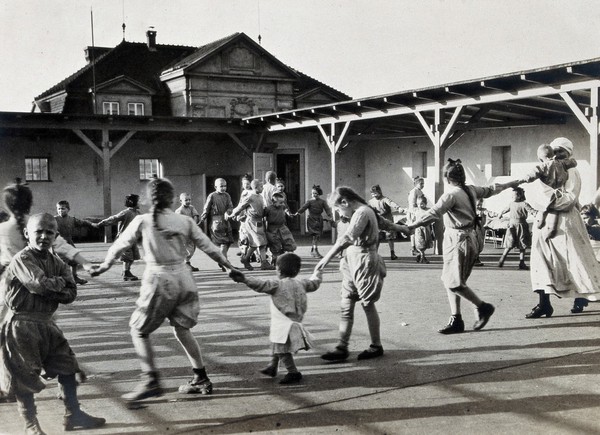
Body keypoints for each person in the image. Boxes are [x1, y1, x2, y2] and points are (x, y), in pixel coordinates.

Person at [90, 178, 236, 403]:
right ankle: (201, 377)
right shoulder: (184, 221)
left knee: (138, 330)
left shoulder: (143, 220)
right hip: (184, 279)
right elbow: (209, 246)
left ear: (149, 199)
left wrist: (103, 266)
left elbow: (119, 245)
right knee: (182, 329)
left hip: (159, 279)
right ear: (172, 198)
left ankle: (150, 380)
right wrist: (230, 267)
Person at [0, 213, 105, 433]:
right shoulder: (23, 258)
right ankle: (31, 425)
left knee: (67, 366)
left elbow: (71, 294)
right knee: (24, 376)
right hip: (22, 324)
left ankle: (73, 414)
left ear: (56, 235)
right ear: (28, 234)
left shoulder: (56, 260)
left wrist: (56, 284)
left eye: (50, 232)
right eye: (39, 231)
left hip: (47, 323)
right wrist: (61, 282)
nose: (44, 236)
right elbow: (40, 285)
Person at [407, 159, 513, 334]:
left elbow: (433, 213)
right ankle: (456, 318)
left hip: (458, 239)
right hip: (467, 237)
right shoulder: (470, 190)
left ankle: (482, 307)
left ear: (447, 179)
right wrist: (514, 182)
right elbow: (492, 189)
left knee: (454, 282)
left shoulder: (451, 195)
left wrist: (410, 226)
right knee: (451, 280)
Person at [315, 186, 409, 361]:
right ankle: (342, 346)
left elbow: (347, 238)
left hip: (364, 259)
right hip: (353, 259)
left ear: (345, 202)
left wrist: (325, 259)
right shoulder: (364, 210)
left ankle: (376, 345)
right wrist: (402, 229)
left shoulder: (362, 213)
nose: (339, 213)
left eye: (338, 208)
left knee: (367, 303)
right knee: (347, 301)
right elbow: (386, 224)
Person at [517, 137, 600, 318]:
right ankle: (543, 304)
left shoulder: (572, 172)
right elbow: (535, 194)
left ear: (569, 153)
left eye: (561, 151)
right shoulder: (545, 171)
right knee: (541, 260)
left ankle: (582, 297)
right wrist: (546, 200)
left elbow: (570, 199)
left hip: (566, 222)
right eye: (554, 151)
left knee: (574, 260)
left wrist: (550, 200)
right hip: (544, 221)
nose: (557, 155)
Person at [229, 253, 321, 384]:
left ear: (278, 270)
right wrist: (318, 272)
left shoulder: (277, 285)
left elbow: (259, 284)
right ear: (297, 270)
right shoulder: (302, 283)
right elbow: (315, 283)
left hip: (284, 324)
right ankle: (272, 366)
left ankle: (293, 372)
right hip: (295, 322)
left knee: (281, 349)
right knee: (276, 343)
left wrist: (244, 279)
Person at [516, 143, 577, 240]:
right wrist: (571, 161)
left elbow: (531, 176)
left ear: (540, 159)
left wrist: (522, 180)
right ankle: (550, 230)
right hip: (557, 192)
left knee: (543, 210)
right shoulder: (562, 163)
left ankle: (541, 225)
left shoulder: (542, 166)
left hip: (548, 194)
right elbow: (573, 162)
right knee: (553, 214)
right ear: (553, 154)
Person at [228, 179, 273, 271]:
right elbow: (240, 206)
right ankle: (260, 262)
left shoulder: (260, 196)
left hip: (259, 222)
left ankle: (249, 259)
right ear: (255, 187)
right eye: (261, 186)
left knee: (258, 243)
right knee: (260, 243)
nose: (262, 188)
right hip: (251, 222)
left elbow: (262, 209)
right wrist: (233, 214)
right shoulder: (250, 197)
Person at [96, 194, 141, 281]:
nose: (140, 203)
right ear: (132, 202)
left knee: (133, 256)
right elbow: (114, 218)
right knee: (127, 257)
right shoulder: (126, 212)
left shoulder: (138, 213)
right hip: (124, 239)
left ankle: (126, 271)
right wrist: (102, 223)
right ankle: (126, 272)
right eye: (139, 201)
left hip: (133, 238)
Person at [54, 200, 98, 285]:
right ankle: (64, 280)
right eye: (58, 209)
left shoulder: (72, 219)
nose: (60, 211)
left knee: (74, 260)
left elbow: (83, 222)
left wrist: (92, 224)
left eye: (63, 209)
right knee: (63, 263)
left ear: (68, 209)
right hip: (59, 243)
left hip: (69, 242)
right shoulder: (54, 219)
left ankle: (74, 277)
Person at [496, 187, 535, 270]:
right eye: (512, 195)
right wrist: (500, 213)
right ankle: (501, 260)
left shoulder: (524, 204)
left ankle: (521, 262)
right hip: (512, 226)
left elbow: (532, 210)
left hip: (521, 225)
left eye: (514, 195)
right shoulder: (511, 204)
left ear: (519, 196)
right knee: (510, 243)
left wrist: (536, 213)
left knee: (522, 244)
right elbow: (505, 209)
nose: (512, 197)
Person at [200, 179, 234, 271]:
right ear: (215, 187)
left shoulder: (227, 195)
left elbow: (230, 206)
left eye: (225, 186)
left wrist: (228, 212)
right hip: (216, 222)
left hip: (226, 221)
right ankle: (224, 263)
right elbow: (206, 208)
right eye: (221, 186)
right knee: (223, 242)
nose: (223, 188)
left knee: (228, 241)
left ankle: (222, 260)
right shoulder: (212, 196)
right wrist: (203, 217)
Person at [368, 185, 406, 260]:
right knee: (377, 238)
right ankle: (375, 254)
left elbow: (391, 203)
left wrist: (398, 208)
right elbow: (367, 209)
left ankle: (392, 253)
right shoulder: (371, 202)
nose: (374, 195)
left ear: (379, 192)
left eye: (375, 193)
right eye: (372, 194)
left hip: (387, 220)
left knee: (390, 237)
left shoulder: (385, 199)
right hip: (378, 221)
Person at [295, 185, 333, 258]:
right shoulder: (309, 201)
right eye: (313, 193)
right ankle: (315, 251)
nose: (314, 195)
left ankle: (313, 250)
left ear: (319, 194)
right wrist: (298, 212)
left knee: (317, 236)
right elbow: (303, 208)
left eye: (316, 193)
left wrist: (330, 215)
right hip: (311, 220)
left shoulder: (322, 202)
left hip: (319, 219)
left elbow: (327, 209)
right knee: (315, 235)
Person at [264, 192, 297, 265]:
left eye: (283, 202)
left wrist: (289, 214)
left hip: (282, 227)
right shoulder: (268, 209)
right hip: (272, 229)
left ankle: (290, 258)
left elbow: (286, 209)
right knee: (275, 245)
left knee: (289, 241)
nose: (282, 204)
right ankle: (275, 260)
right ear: (274, 202)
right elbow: (262, 216)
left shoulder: (282, 206)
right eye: (281, 202)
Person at [175, 193, 201, 272]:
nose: (188, 201)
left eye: (189, 200)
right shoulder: (179, 211)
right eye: (186, 200)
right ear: (180, 201)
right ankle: (184, 263)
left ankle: (186, 262)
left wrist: (194, 223)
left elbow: (196, 215)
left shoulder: (191, 208)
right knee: (185, 247)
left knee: (192, 247)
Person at [412, 196, 434, 264]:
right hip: (418, 229)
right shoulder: (416, 211)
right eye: (418, 204)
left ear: (425, 203)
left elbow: (432, 218)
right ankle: (422, 256)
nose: (420, 205)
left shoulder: (428, 210)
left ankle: (421, 256)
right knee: (419, 242)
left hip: (426, 228)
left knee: (425, 242)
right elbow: (413, 219)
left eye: (422, 203)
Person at [408, 176, 425, 256]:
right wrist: (416, 213)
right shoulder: (414, 191)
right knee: (413, 231)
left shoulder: (419, 191)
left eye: (423, 184)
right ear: (416, 184)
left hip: (418, 212)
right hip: (413, 213)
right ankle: (413, 248)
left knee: (418, 231)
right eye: (421, 183)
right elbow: (412, 204)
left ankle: (418, 247)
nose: (422, 185)